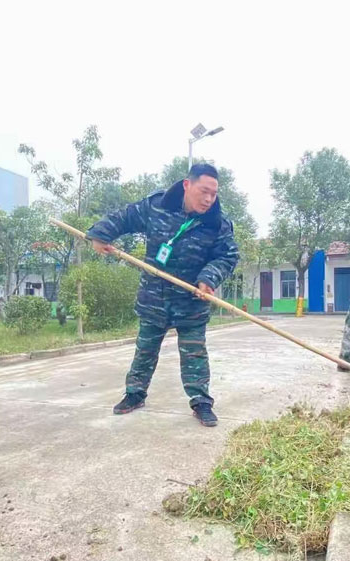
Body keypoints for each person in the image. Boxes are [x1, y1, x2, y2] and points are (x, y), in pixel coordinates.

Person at [87, 163, 239, 427]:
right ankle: (134, 394)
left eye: (214, 194)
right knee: (145, 349)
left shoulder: (217, 223)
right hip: (154, 296)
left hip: (191, 300)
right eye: (204, 191)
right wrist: (101, 234)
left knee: (194, 354)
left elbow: (227, 255)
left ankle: (201, 401)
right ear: (187, 185)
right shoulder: (157, 206)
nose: (208, 199)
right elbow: (125, 217)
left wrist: (208, 278)